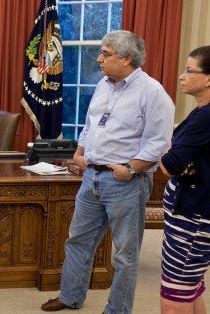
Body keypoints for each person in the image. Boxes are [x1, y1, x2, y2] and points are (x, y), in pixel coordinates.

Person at [40, 30, 175, 313]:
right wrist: (79, 153)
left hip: (125, 181)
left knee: (124, 255)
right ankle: (70, 296)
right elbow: (92, 125)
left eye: (106, 54)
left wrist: (130, 168)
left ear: (126, 59)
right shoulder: (103, 84)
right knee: (78, 240)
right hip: (92, 177)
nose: (99, 59)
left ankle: (118, 310)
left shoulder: (153, 93)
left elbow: (159, 142)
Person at [159, 45, 210, 314]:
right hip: (193, 214)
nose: (182, 76)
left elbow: (169, 164)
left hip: (194, 217)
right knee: (190, 287)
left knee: (173, 297)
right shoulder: (201, 111)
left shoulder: (205, 116)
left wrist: (168, 153)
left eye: (190, 71)